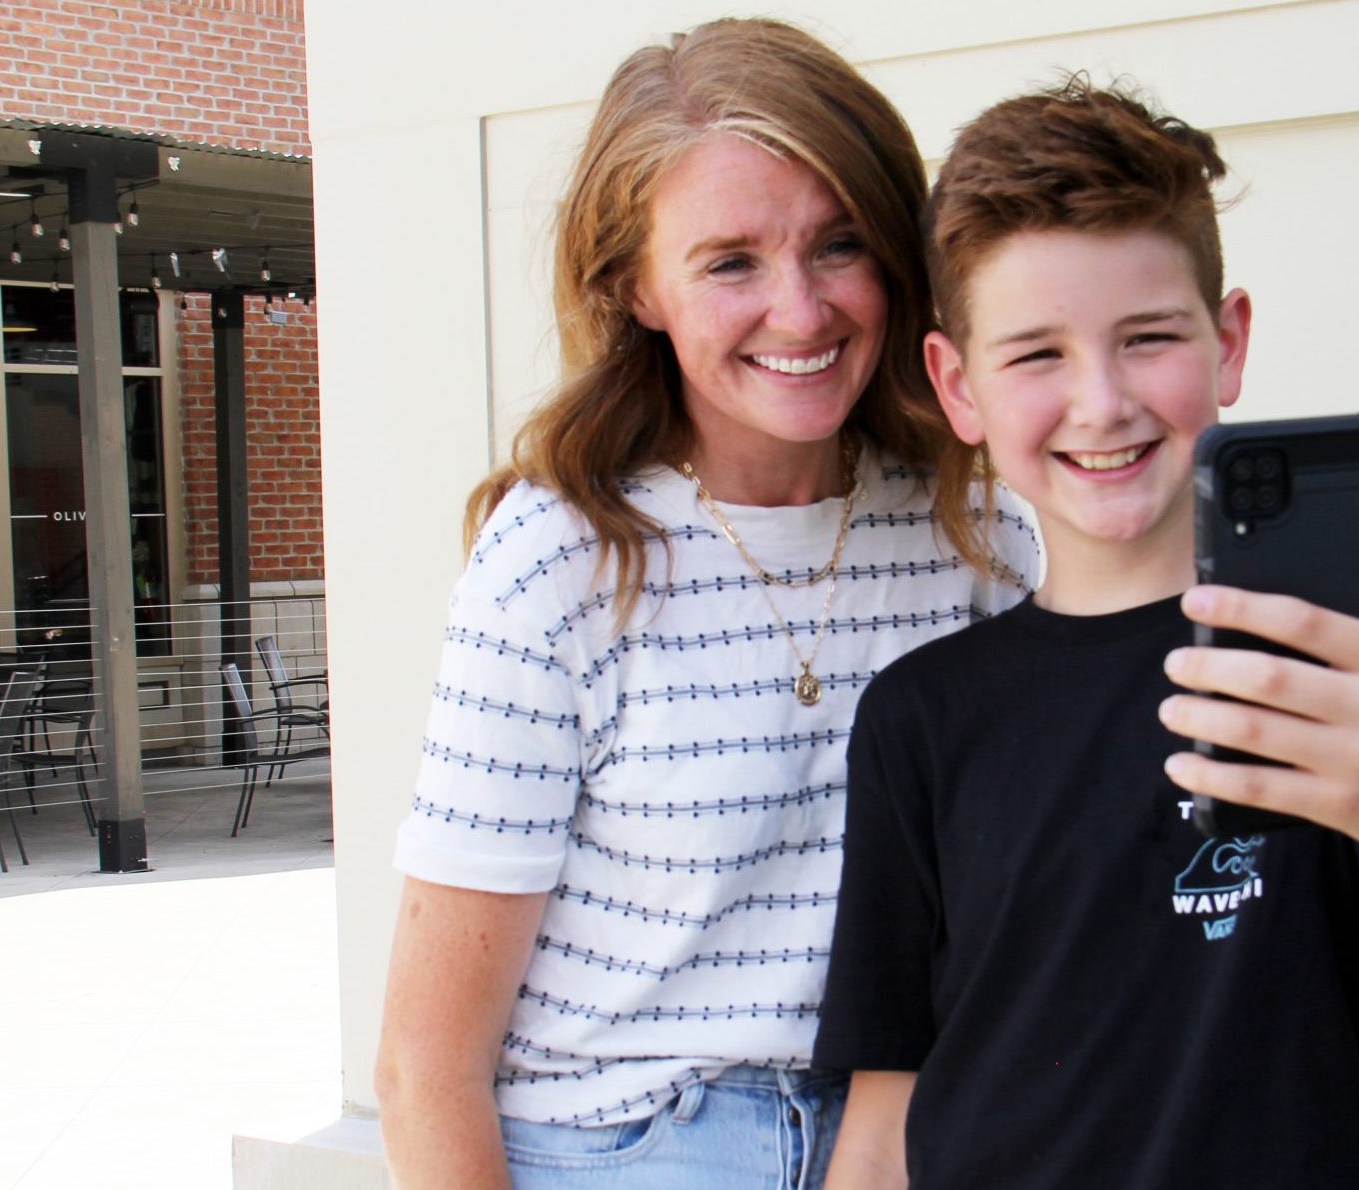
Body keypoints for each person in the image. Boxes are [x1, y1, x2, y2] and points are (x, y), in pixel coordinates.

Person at [813, 78, 1359, 1189]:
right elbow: (888, 1116)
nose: (1101, 400)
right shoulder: (919, 714)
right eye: (1036, 354)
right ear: (958, 384)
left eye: (1147, 338)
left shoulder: (1321, 670)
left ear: (1226, 343)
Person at [372, 18, 1036, 1190]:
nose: (801, 310)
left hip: (911, 1130)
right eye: (730, 261)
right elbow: (427, 1067)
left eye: (839, 246)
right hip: (622, 1144)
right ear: (635, 285)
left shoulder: (975, 535)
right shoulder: (557, 560)